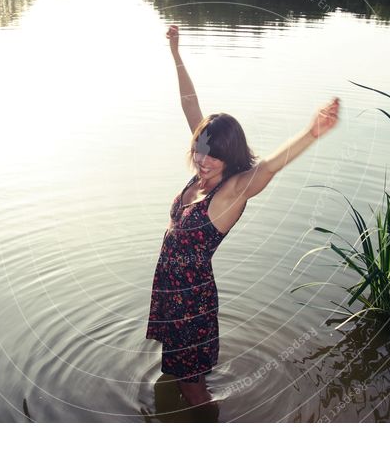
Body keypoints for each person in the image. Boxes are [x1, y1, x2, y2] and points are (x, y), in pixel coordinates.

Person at [145, 24, 341, 407]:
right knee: (177, 373)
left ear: (228, 157)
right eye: (200, 150)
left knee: (193, 388)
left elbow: (267, 168)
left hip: (192, 303)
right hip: (172, 293)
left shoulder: (230, 191)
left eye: (212, 156)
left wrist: (311, 132)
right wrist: (176, 55)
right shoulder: (201, 171)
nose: (201, 159)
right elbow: (189, 104)